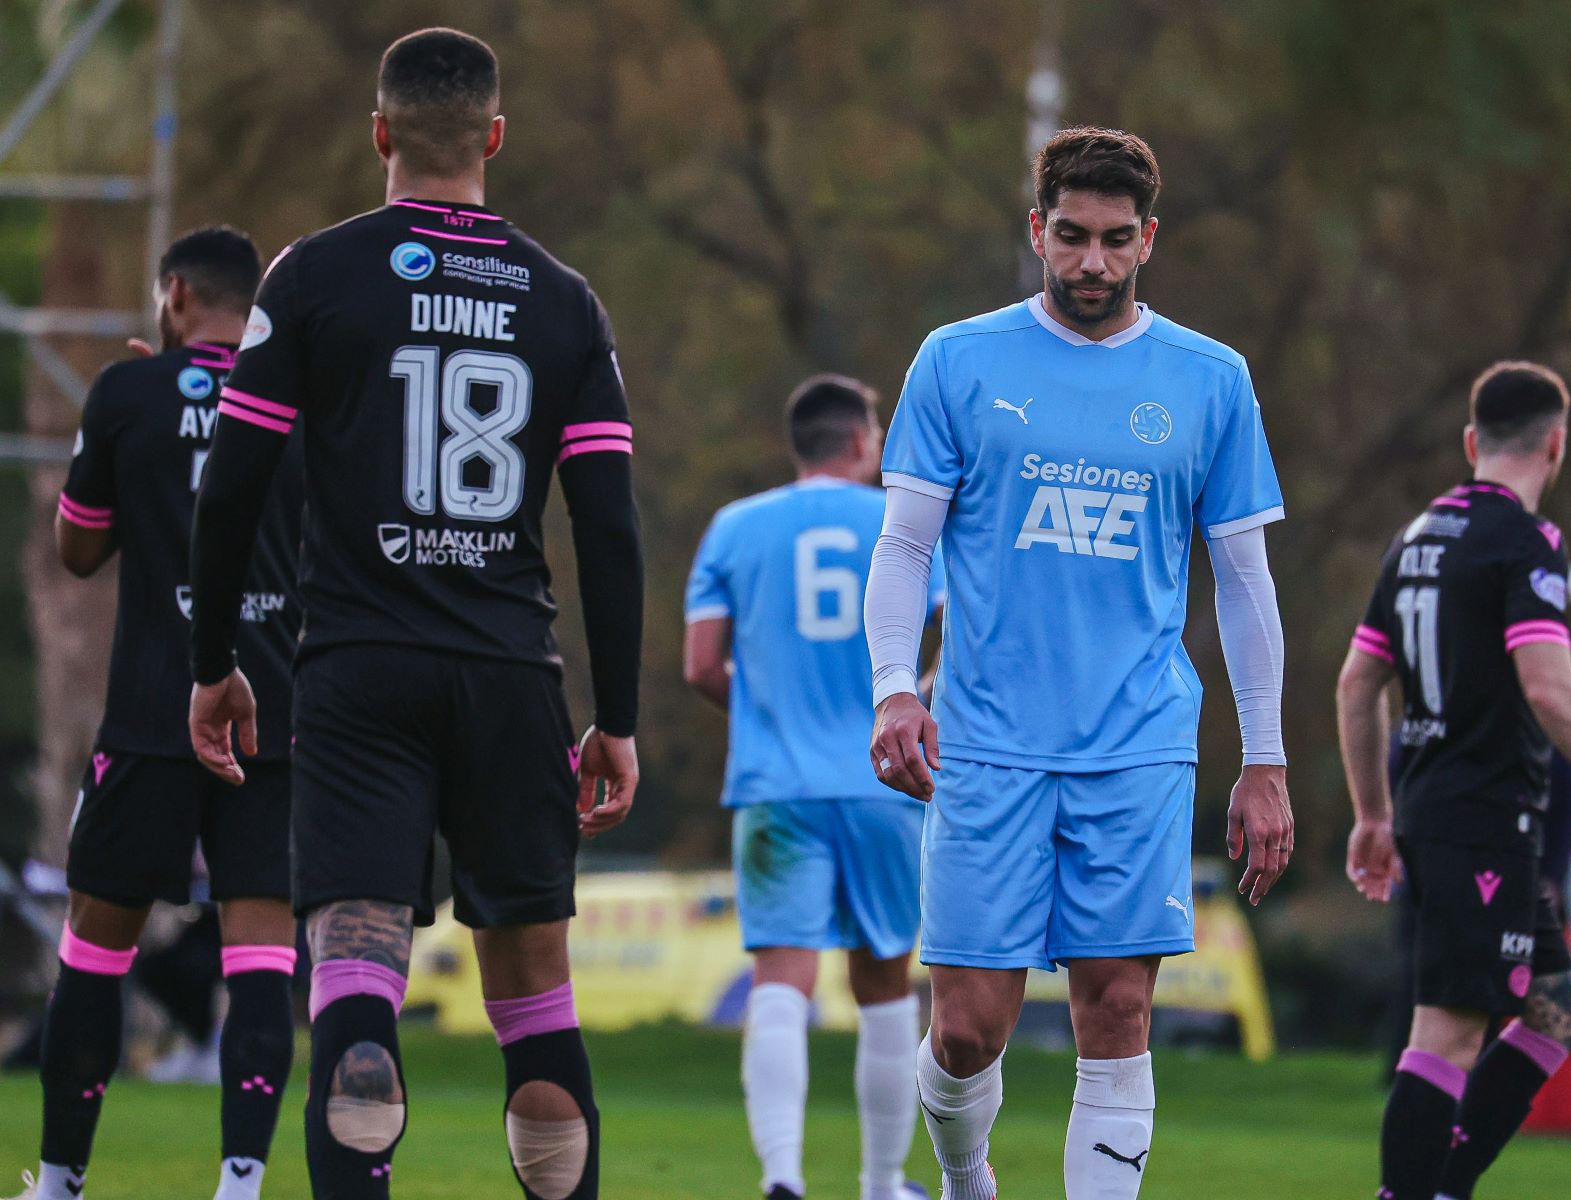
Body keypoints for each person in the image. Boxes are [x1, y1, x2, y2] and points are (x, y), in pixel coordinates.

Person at [184, 28, 643, 1200]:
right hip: (510, 676)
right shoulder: (564, 300)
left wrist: (213, 662)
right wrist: (618, 718)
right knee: (536, 1007)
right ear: (495, 138)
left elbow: (230, 488)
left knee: (355, 982)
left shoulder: (314, 277)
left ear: (381, 132)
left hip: (360, 671)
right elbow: (608, 526)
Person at [864, 127, 1294, 1200]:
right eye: (1070, 236)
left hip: (1138, 744)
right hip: (987, 743)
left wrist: (1265, 756)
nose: (1091, 262)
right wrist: (895, 690)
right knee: (967, 1031)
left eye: (1113, 239)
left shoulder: (1211, 379)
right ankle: (966, 1178)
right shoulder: (956, 360)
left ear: (1148, 239)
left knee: (1119, 1009)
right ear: (1036, 231)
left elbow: (1244, 581)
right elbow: (904, 547)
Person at [14, 227, 302, 1200]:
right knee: (260, 962)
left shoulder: (128, 393)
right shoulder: (300, 395)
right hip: (270, 715)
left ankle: (60, 1183)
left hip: (151, 711)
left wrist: (134, 416)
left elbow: (78, 551)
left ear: (175, 296)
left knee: (95, 953)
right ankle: (241, 1186)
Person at [1336, 361, 1571, 1200]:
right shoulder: (1525, 540)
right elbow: (1549, 686)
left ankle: (1446, 1185)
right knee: (1447, 1033)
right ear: (1556, 446)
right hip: (1480, 817)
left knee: (1555, 1011)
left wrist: (1372, 812)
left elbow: (1358, 683)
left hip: (1439, 812)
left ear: (1471, 442)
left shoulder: (1415, 537)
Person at [684, 375, 944, 1200]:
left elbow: (700, 663)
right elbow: (956, 631)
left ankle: (782, 1177)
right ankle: (881, 1183)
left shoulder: (735, 526)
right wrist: (919, 699)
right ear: (862, 440)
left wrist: (768, 708)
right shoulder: (902, 524)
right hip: (886, 783)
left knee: (780, 980)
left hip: (777, 786)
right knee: (886, 985)